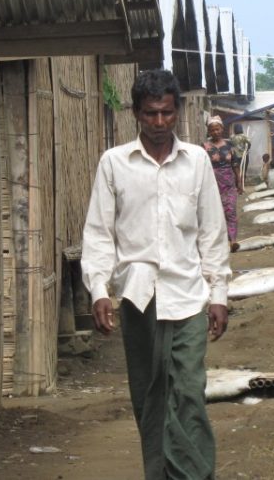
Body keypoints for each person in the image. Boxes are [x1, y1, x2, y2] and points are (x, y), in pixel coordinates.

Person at [81, 69, 230, 480]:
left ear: (178, 111)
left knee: (188, 393)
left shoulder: (197, 161)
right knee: (149, 398)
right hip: (138, 297)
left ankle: (194, 474)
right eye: (151, 114)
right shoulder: (114, 164)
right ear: (136, 113)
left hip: (186, 296)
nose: (160, 123)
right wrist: (98, 288)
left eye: (167, 113)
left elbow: (212, 232)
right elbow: (99, 233)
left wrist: (219, 293)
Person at [204, 116, 242, 250]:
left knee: (230, 211)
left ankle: (233, 241)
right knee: (214, 214)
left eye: (217, 129)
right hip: (211, 186)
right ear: (208, 131)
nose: (215, 132)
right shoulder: (204, 147)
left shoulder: (230, 145)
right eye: (212, 130)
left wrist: (239, 181)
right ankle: (217, 242)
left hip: (229, 185)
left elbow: (235, 164)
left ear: (222, 129)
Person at [230, 123, 251, 191]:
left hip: (235, 156)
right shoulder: (244, 136)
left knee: (236, 172)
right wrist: (247, 149)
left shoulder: (232, 137)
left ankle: (237, 186)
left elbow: (230, 145)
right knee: (243, 171)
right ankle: (242, 186)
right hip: (244, 155)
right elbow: (249, 143)